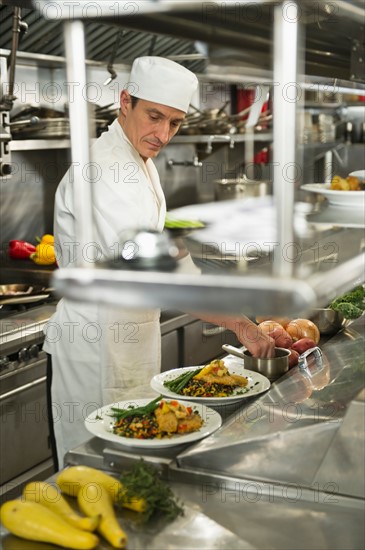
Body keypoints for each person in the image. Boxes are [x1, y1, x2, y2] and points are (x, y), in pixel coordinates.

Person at [44, 56, 274, 469]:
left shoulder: (139, 162)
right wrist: (236, 319)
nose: (163, 133)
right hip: (97, 343)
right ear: (125, 102)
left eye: (175, 123)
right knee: (94, 464)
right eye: (154, 116)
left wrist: (237, 319)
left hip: (131, 335)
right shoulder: (105, 168)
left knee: (132, 456)